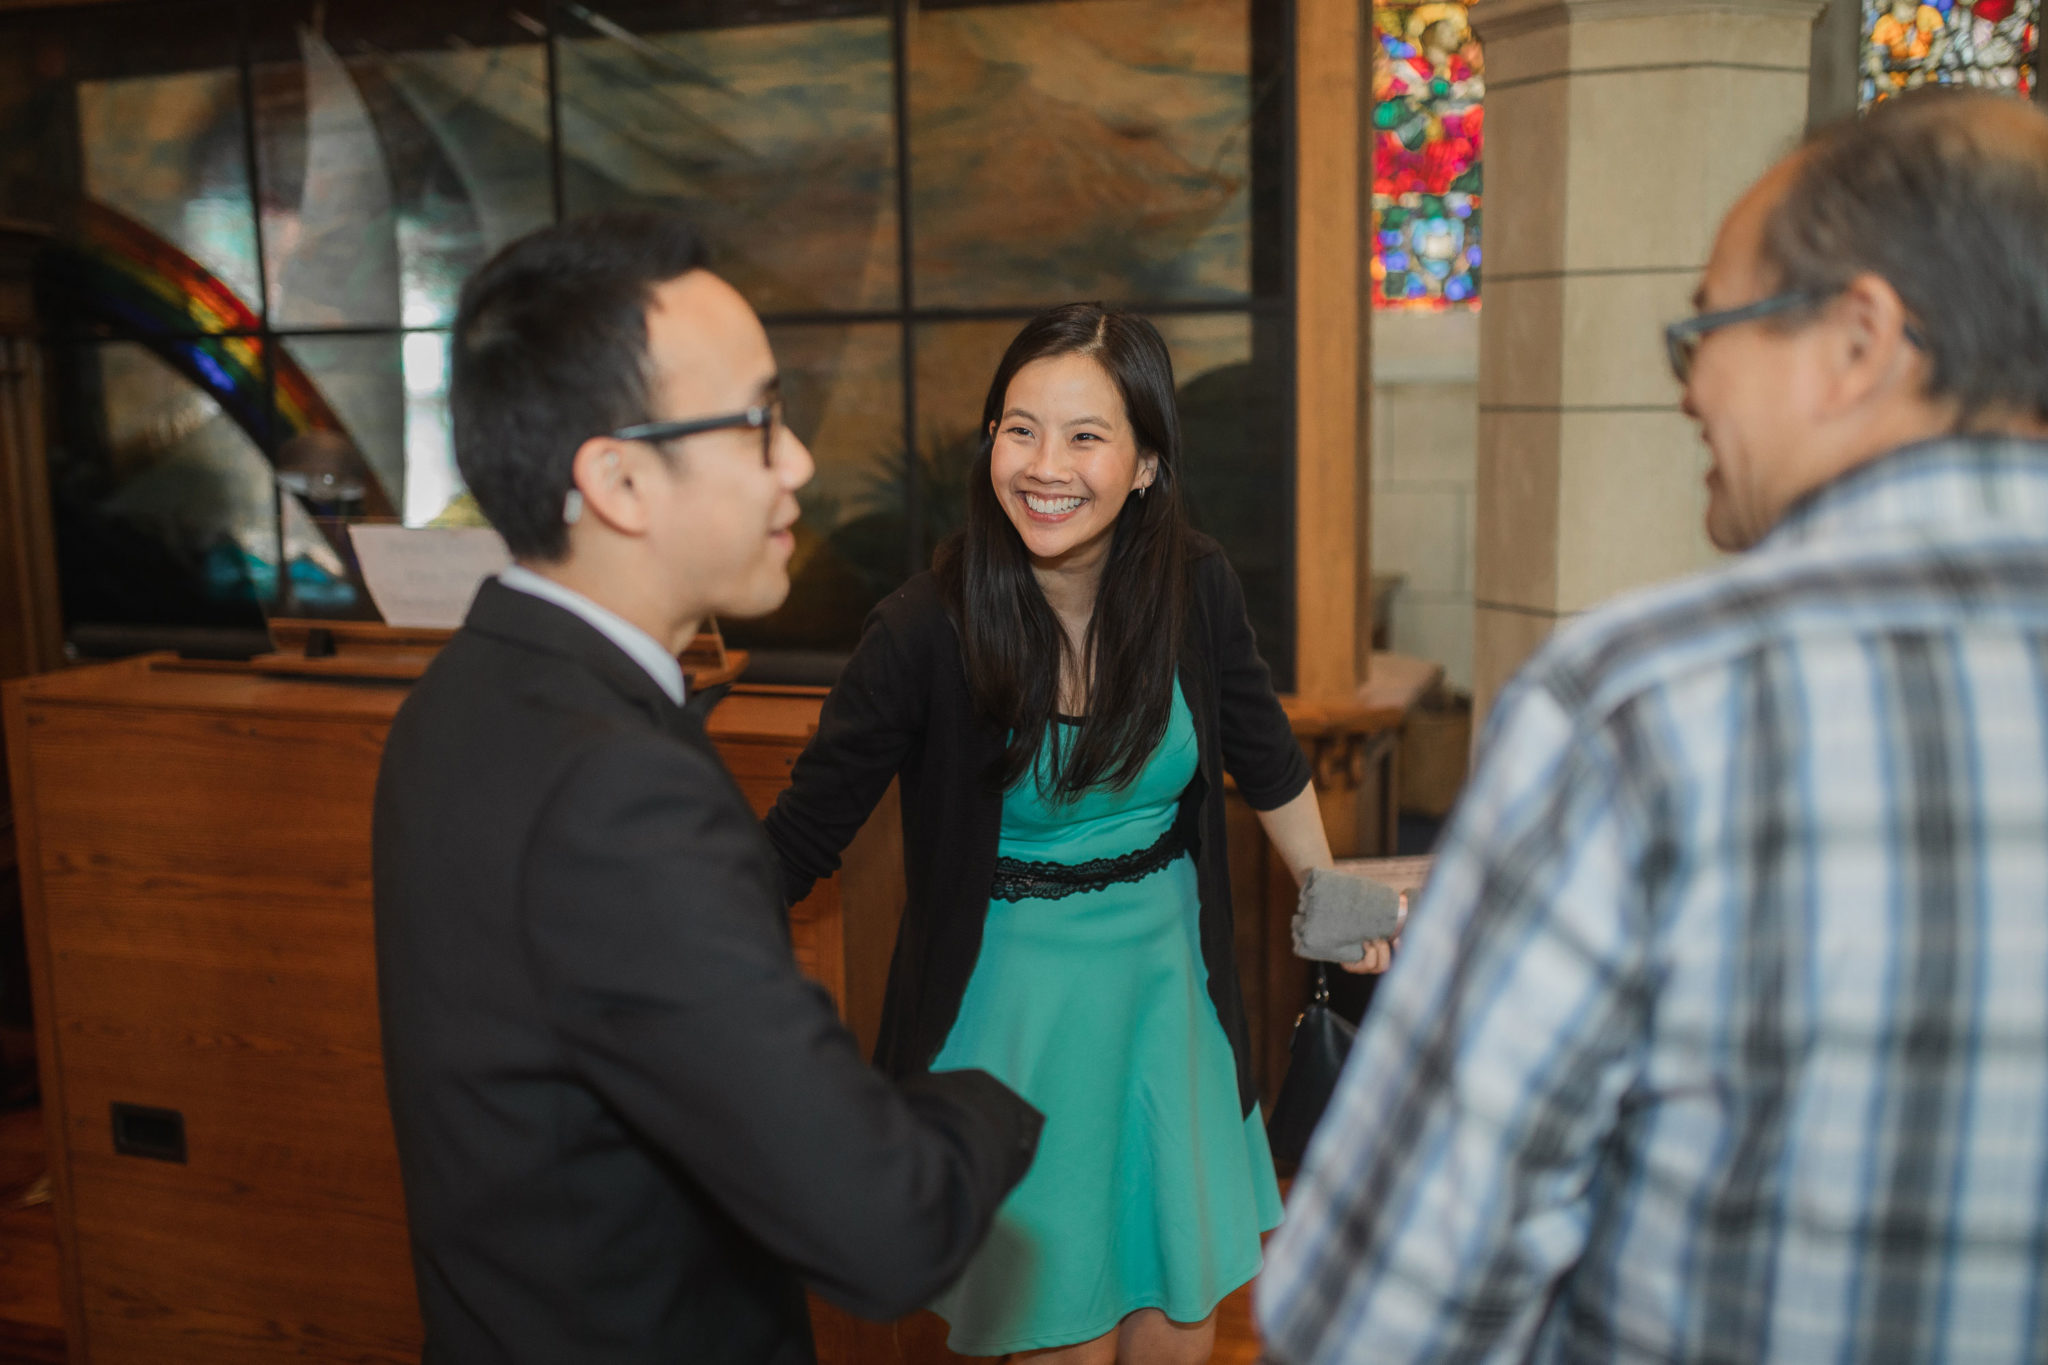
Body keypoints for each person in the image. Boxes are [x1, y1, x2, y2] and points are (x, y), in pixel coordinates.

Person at [1259, 88, 2048, 1364]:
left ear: (1859, 340)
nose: (1685, 392)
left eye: (1707, 330)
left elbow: (1376, 1313)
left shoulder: (1652, 703)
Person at [373, 210, 1043, 1365]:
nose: (799, 461)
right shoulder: (618, 793)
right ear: (621, 478)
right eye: (759, 421)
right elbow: (883, 1229)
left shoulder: (464, 689)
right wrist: (996, 1099)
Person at [762, 304, 1389, 1363]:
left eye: (1085, 436)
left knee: (1175, 1333)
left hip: (1166, 1000)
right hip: (1012, 1021)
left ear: (1145, 463)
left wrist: (1327, 897)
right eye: (1019, 428)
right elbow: (795, 842)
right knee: (1064, 1342)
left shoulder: (1193, 587)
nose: (1044, 465)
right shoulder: (922, 629)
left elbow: (1265, 752)